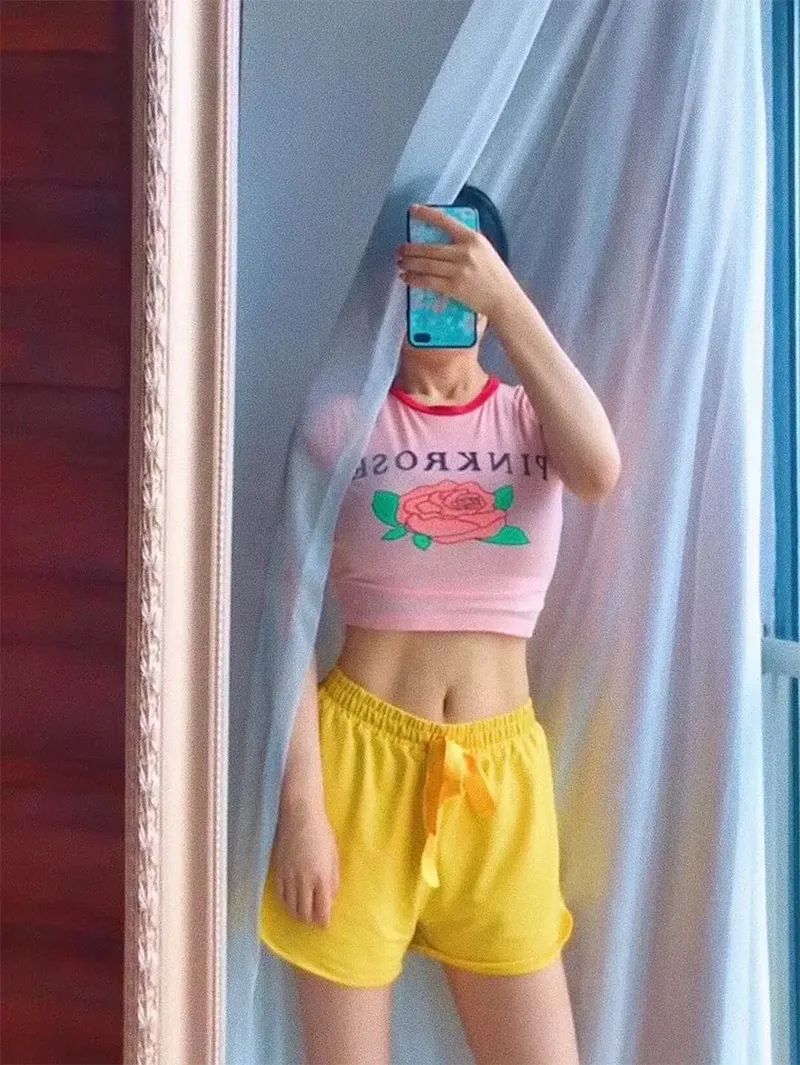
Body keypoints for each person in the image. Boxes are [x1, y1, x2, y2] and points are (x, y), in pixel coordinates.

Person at [260, 185, 621, 1065]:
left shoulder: (531, 420)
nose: (441, 298)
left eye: (459, 277)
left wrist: (509, 305)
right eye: (423, 276)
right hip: (358, 775)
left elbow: (600, 470)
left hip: (500, 785)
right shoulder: (339, 426)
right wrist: (302, 810)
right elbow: (283, 619)